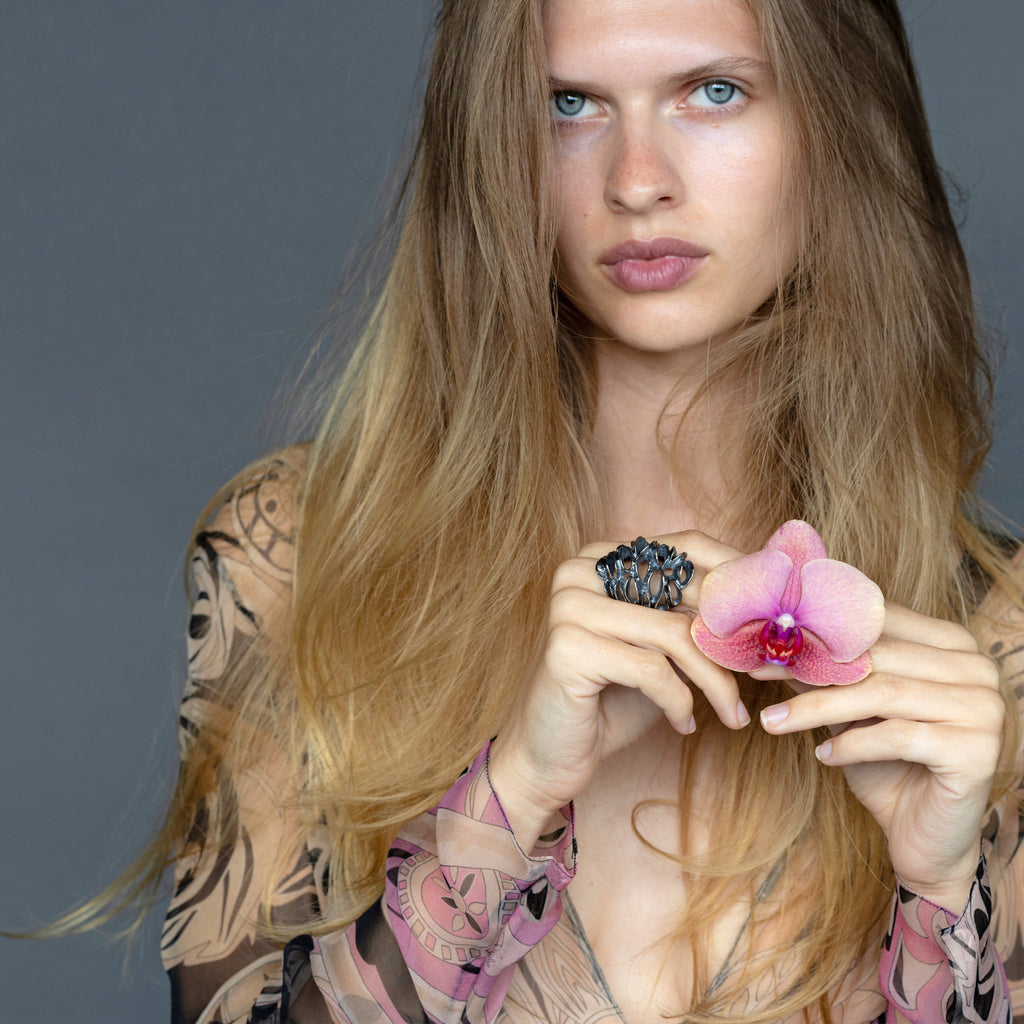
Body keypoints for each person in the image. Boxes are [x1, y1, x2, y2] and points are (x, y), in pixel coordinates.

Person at [152, 0, 1024, 1020]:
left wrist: (936, 894)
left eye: (714, 92)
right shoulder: (296, 556)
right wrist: (508, 795)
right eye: (567, 105)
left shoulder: (996, 641)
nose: (637, 180)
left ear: (838, 123)